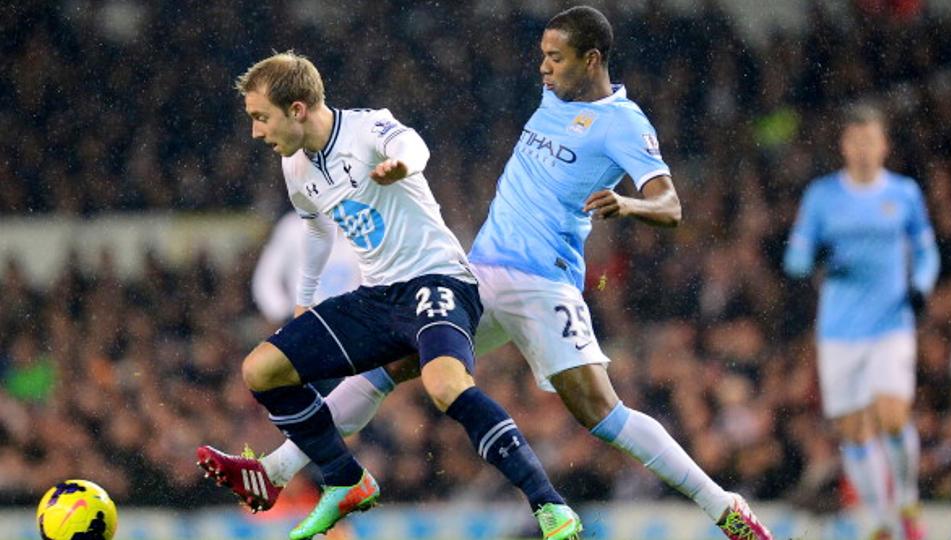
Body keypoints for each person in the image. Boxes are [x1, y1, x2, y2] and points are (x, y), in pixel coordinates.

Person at [204, 8, 773, 540]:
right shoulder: (553, 97)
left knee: (601, 413)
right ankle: (279, 470)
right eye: (542, 55)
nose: (543, 67)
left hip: (543, 281)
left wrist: (629, 205)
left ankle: (723, 506)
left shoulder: (623, 123)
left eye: (556, 57)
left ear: (593, 59)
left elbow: (670, 204)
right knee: (389, 367)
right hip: (478, 271)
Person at [196, 51, 583, 540]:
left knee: (444, 385)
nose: (256, 132)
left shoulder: (366, 128)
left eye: (260, 117)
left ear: (296, 109)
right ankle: (344, 479)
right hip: (377, 296)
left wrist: (403, 165)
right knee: (262, 369)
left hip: (439, 281)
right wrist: (304, 301)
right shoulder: (295, 166)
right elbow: (314, 232)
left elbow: (414, 145)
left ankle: (549, 505)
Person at [784, 103, 940, 540]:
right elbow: (794, 258)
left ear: (884, 145)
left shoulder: (905, 194)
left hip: (891, 323)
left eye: (871, 140)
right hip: (838, 331)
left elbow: (926, 252)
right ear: (844, 147)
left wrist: (922, 286)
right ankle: (879, 521)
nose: (864, 150)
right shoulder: (822, 196)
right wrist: (814, 257)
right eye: (856, 142)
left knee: (892, 415)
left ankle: (906, 499)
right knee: (853, 432)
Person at [252, 210, 360, 325]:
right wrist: (283, 314)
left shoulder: (367, 229)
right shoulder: (294, 228)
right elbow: (266, 278)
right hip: (303, 324)